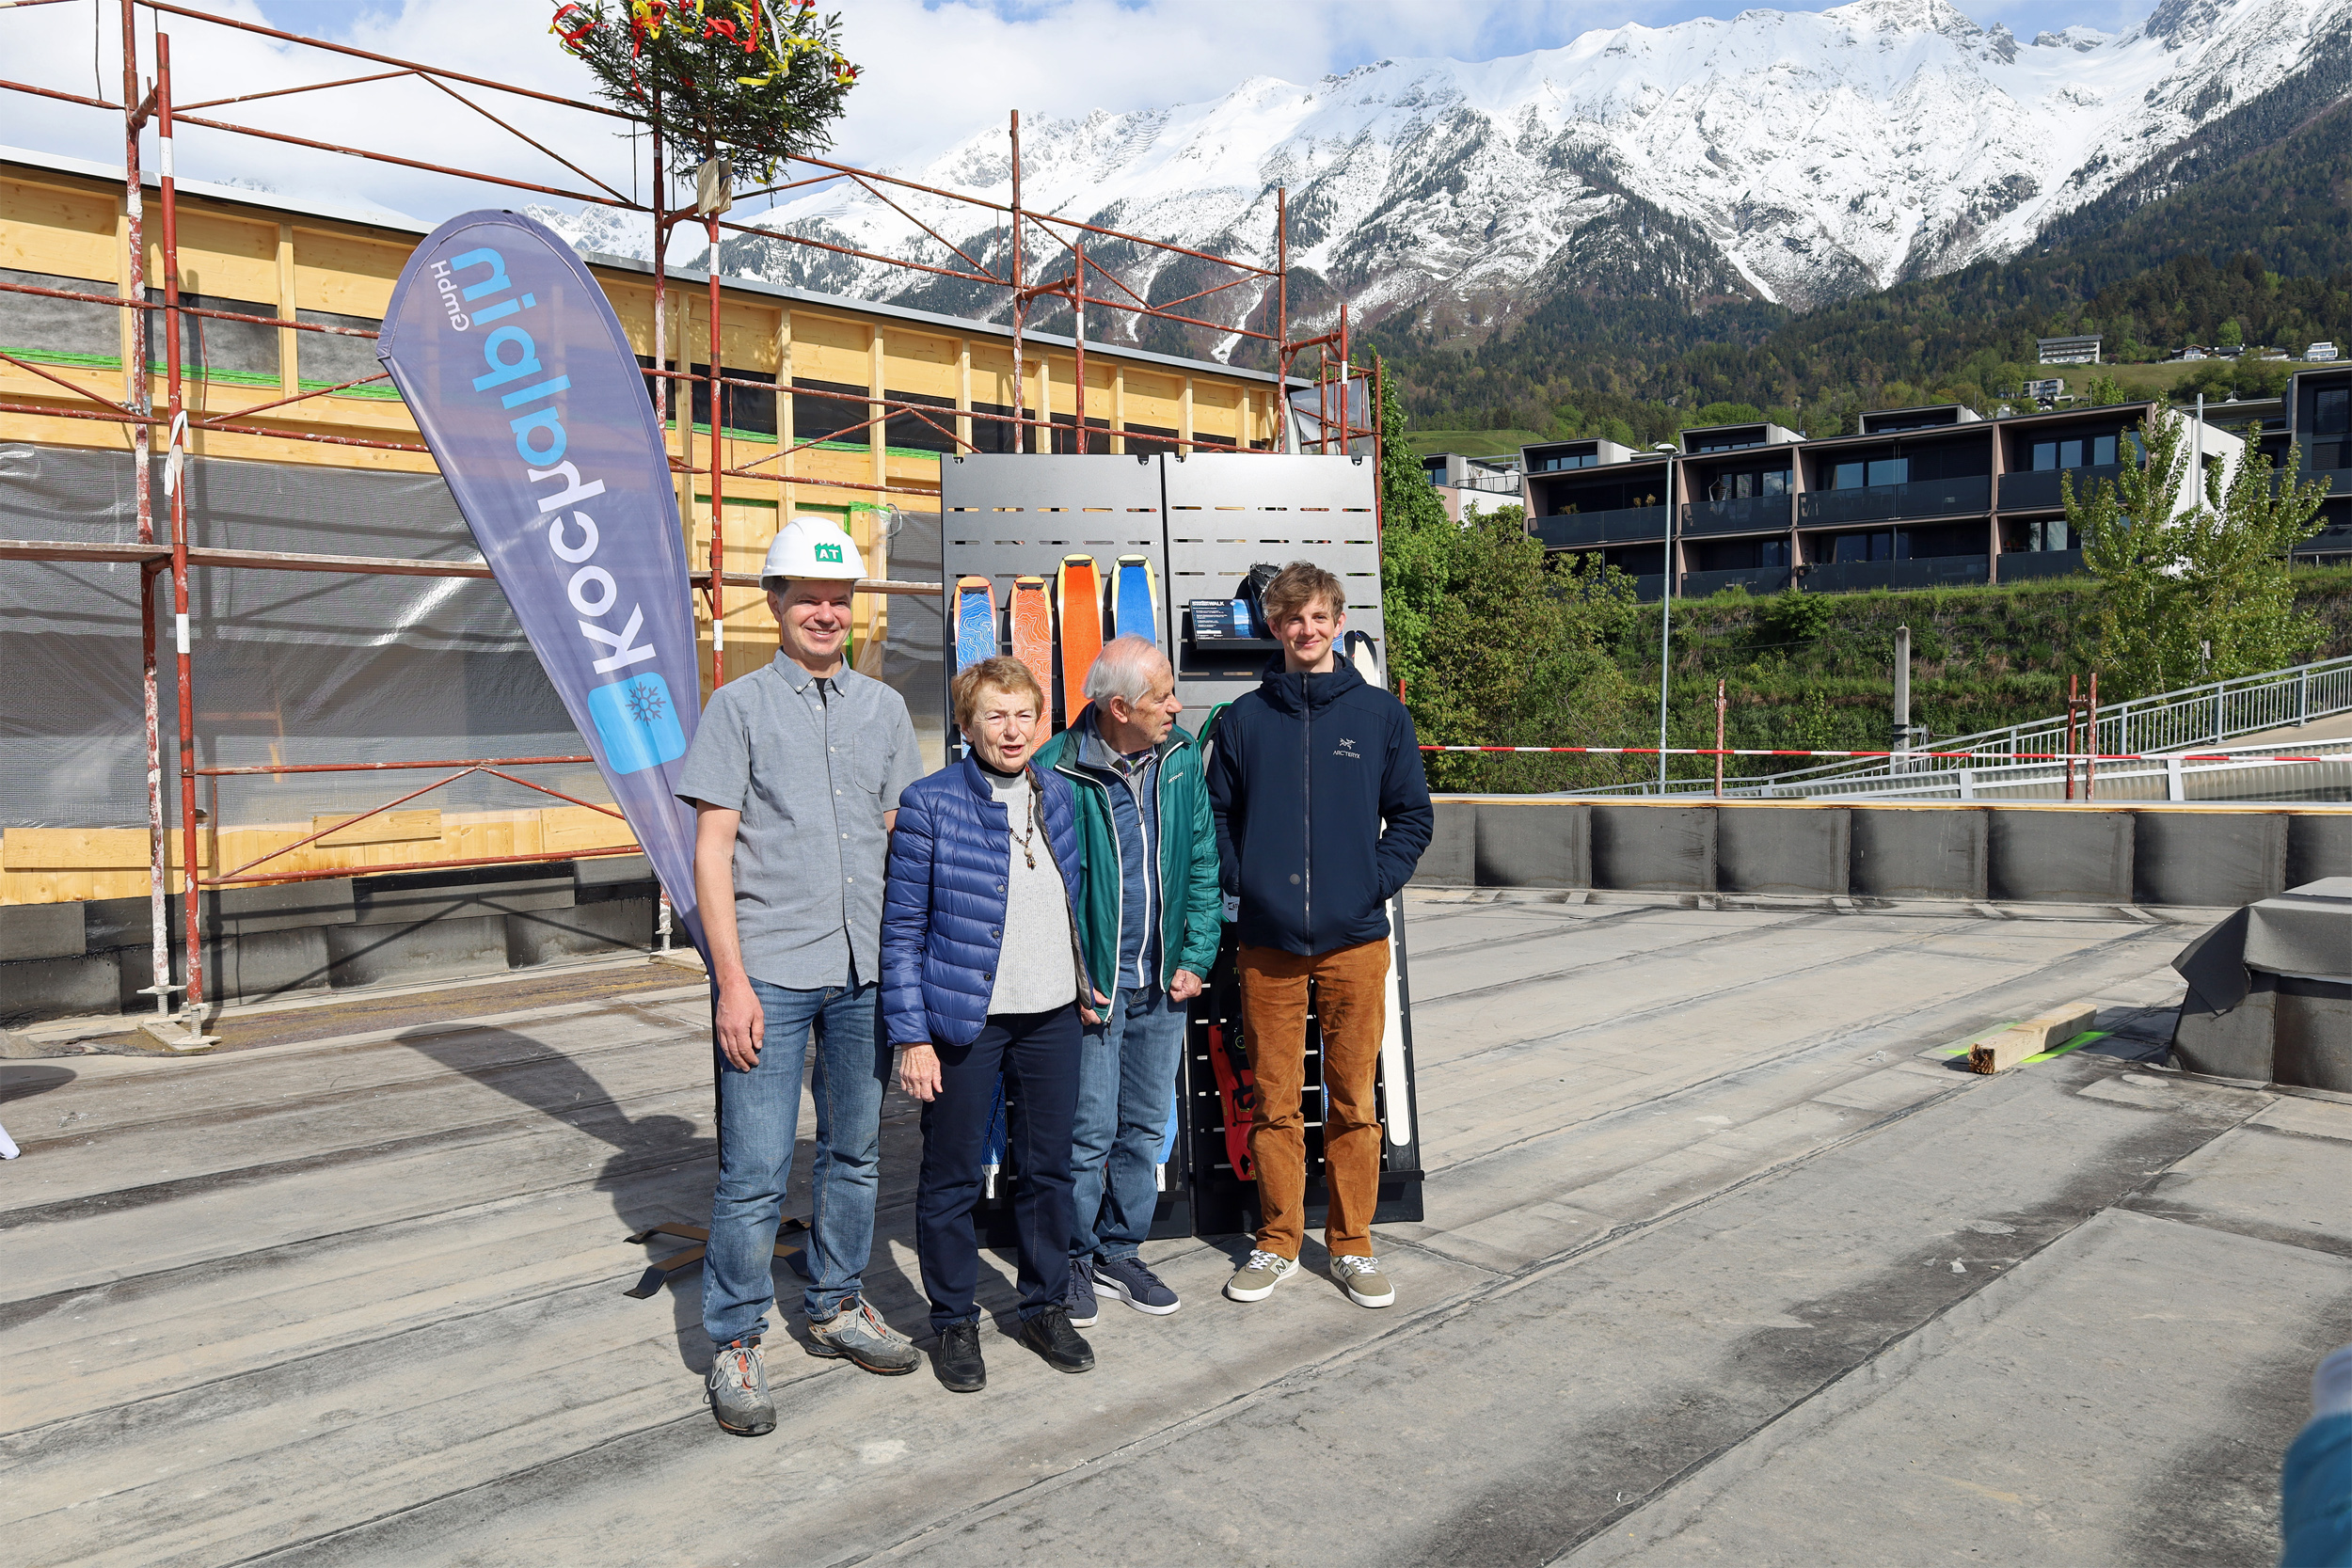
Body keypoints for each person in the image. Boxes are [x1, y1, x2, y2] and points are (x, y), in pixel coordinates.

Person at [675, 516, 923, 1439]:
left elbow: (907, 840)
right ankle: (736, 1340)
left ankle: (834, 1301)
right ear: (773, 601)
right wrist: (730, 981)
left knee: (855, 1151)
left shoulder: (885, 711)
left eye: (837, 598)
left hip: (862, 971)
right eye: (806, 596)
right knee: (754, 1171)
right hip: (770, 973)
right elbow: (711, 853)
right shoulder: (735, 708)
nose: (824, 612)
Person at [1206, 561, 1432, 1309]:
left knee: (1352, 1103)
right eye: (1289, 619)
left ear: (1338, 622)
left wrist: (1367, 883)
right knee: (1273, 1102)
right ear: (1273, 627)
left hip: (1355, 943)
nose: (1304, 630)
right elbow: (1217, 820)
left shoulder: (1380, 717)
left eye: (1318, 617)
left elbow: (1413, 818)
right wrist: (1247, 882)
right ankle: (1275, 1241)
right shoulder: (1243, 719)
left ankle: (1352, 1244)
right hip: (1268, 944)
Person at [884, 656, 1104, 1392]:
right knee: (951, 1177)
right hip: (964, 1022)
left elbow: (1073, 900)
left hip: (1050, 1015)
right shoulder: (929, 803)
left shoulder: (1062, 797)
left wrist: (1083, 980)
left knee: (1047, 1169)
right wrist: (912, 1035)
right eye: (994, 716)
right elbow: (902, 929)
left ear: (1040, 722)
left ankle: (1042, 1306)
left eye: (1023, 715)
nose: (1011, 731)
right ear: (967, 723)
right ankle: (953, 1321)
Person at [1034, 636, 1221, 1324]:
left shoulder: (1177, 759)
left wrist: (1196, 955)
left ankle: (1119, 1250)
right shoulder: (1056, 768)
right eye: (1161, 696)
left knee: (1144, 1131)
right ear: (1119, 707)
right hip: (1097, 994)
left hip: (1162, 986)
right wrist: (1077, 980)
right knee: (1085, 1135)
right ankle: (1074, 1259)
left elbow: (1202, 860)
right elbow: (1044, 893)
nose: (1176, 705)